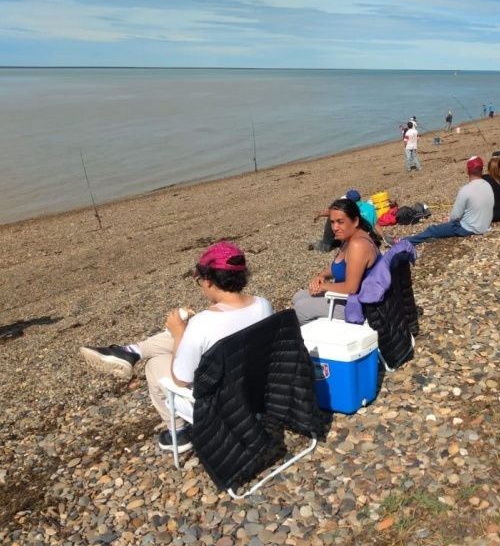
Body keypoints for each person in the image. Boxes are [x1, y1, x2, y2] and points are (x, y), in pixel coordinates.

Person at [79, 242, 274, 453]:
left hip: (222, 405)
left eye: (199, 280)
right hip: (256, 389)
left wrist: (181, 334)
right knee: (181, 336)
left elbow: (182, 378)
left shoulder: (204, 322)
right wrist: (185, 332)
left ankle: (178, 433)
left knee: (154, 365)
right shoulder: (263, 305)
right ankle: (130, 352)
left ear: (208, 281)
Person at [293, 198, 381, 324]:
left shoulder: (358, 245)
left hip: (358, 305)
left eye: (340, 222)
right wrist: (321, 275)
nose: (335, 227)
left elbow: (351, 288)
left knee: (300, 309)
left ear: (355, 221)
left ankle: (316, 341)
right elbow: (338, 266)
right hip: (347, 298)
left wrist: (322, 287)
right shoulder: (348, 238)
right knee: (299, 297)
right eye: (332, 222)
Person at [393, 156, 493, 245]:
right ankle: (429, 238)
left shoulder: (465, 190)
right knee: (440, 229)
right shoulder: (488, 185)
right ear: (482, 170)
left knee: (432, 229)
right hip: (485, 226)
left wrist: (448, 220)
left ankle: (404, 241)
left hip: (468, 228)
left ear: (467, 171)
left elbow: (455, 216)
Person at [312, 189, 380, 251]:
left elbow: (330, 212)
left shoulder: (349, 208)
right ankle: (331, 242)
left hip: (356, 235)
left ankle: (326, 244)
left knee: (332, 218)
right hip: (368, 234)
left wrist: (319, 215)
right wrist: (383, 236)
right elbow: (376, 224)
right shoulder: (370, 206)